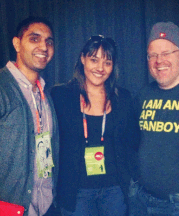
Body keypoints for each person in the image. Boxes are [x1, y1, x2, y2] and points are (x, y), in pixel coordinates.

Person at [0, 17, 59, 216]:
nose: (44, 46)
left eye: (49, 41)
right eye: (34, 39)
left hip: (46, 207)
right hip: (7, 210)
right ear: (16, 44)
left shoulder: (46, 93)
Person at [50, 35, 138, 216]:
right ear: (82, 59)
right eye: (94, 60)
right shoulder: (60, 96)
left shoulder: (124, 98)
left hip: (114, 190)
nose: (100, 68)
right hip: (76, 191)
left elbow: (132, 141)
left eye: (107, 62)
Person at [129, 22, 179, 215]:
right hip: (139, 198)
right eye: (152, 55)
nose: (158, 61)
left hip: (178, 204)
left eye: (166, 53)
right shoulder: (143, 95)